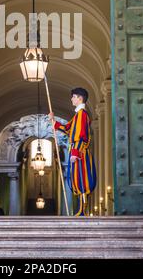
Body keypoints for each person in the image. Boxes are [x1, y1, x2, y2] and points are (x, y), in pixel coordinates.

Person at [49, 87, 97, 217]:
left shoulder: (82, 114)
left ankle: (82, 210)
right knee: (77, 180)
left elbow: (81, 135)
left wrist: (75, 153)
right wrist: (53, 121)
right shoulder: (77, 115)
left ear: (80, 98)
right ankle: (81, 209)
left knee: (82, 180)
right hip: (76, 151)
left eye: (74, 97)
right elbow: (67, 129)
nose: (71, 99)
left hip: (80, 152)